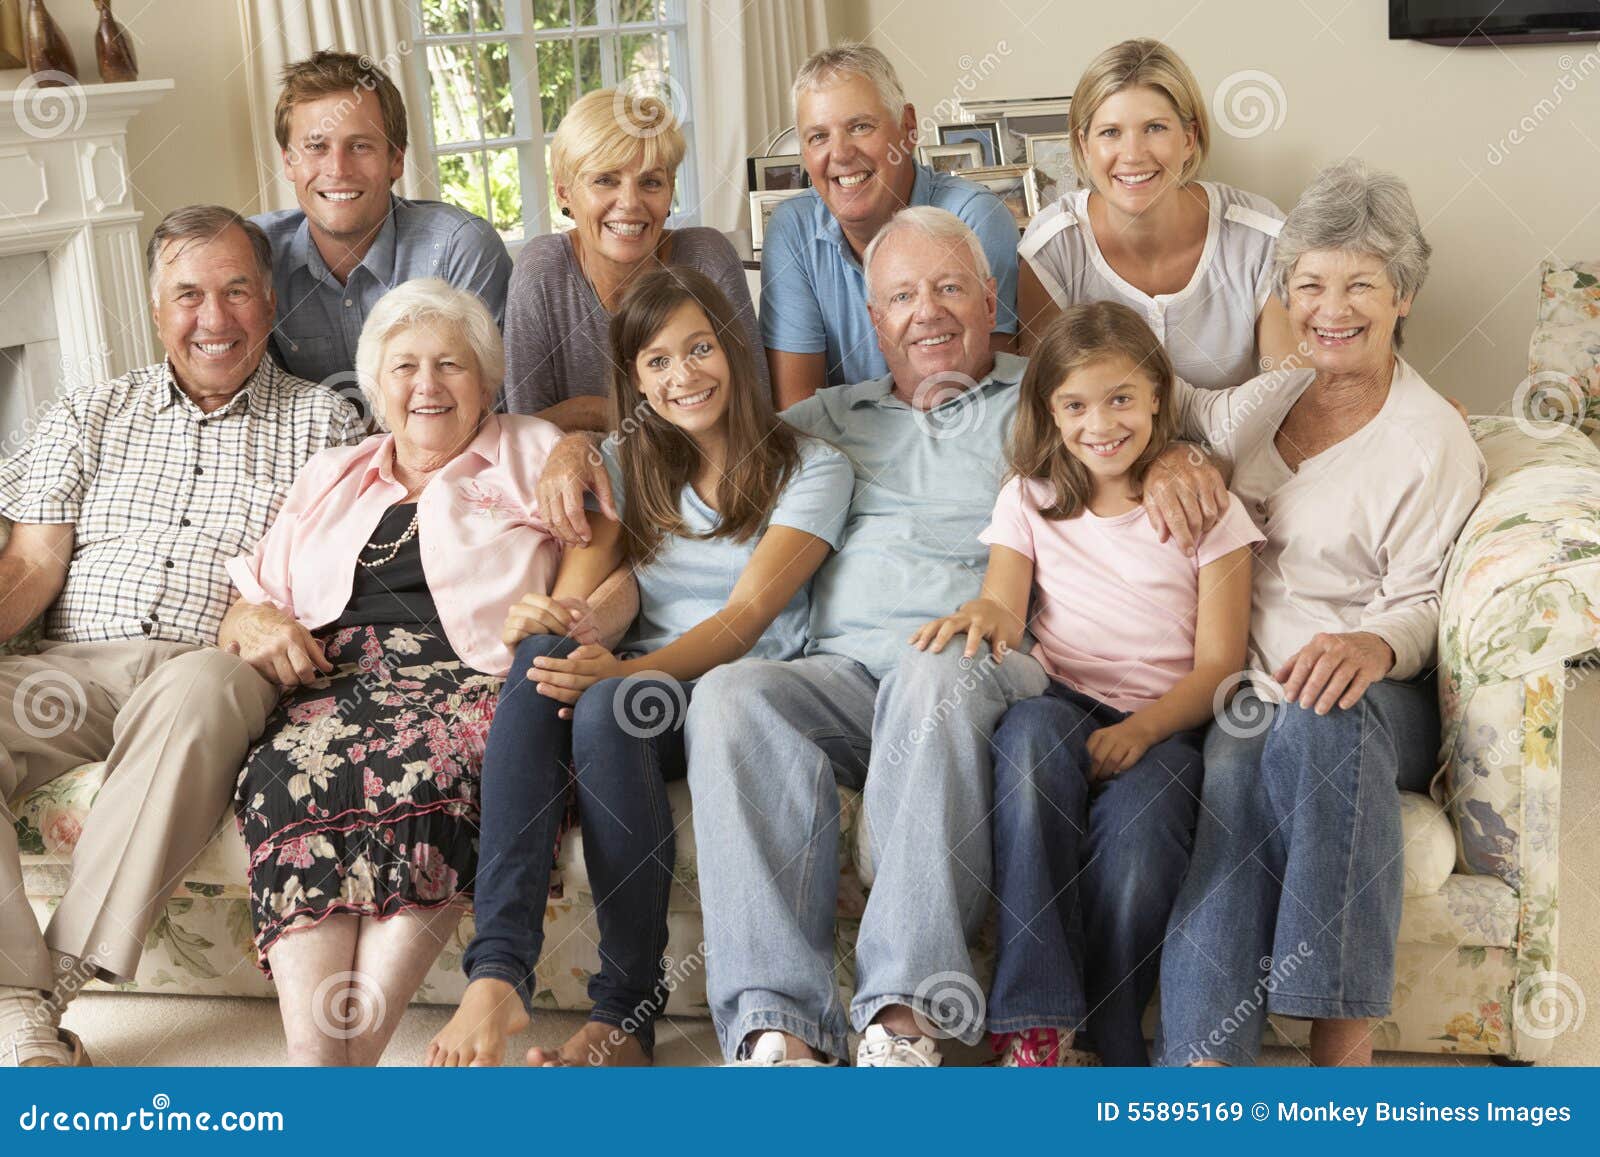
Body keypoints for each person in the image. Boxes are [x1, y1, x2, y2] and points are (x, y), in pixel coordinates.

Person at [427, 269, 851, 1067]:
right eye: (656, 362)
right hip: (648, 683)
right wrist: (556, 624)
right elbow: (586, 597)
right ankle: (501, 973)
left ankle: (621, 1012)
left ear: (735, 350)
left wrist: (621, 671)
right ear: (635, 381)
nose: (682, 375)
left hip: (747, 690)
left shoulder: (811, 465)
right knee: (549, 661)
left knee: (608, 701)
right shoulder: (630, 463)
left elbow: (743, 619)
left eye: (699, 349)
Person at [221, 279, 626, 1066]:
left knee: (423, 770)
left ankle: (328, 1075)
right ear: (376, 386)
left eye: (450, 365)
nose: (427, 385)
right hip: (332, 687)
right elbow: (249, 602)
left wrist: (569, 614)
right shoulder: (331, 475)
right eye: (404, 367)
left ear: (487, 380)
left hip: (475, 684)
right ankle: (323, 1063)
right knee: (284, 773)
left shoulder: (531, 450)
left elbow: (609, 554)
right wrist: (259, 621)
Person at [0, 206, 362, 1067]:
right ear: (157, 307)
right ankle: (20, 1001)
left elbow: (337, 583)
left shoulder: (326, 424)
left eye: (237, 290)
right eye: (189, 294)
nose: (214, 317)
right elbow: (31, 566)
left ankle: (50, 992)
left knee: (203, 687)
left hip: (211, 664)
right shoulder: (92, 411)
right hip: (68, 670)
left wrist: (264, 612)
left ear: (269, 303)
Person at [1157, 160, 1486, 1067]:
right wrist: (1172, 461)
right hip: (1255, 690)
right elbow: (1155, 415)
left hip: (1383, 697)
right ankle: (1196, 1081)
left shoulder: (1431, 439)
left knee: (1324, 717)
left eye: (1360, 285)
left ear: (1404, 295)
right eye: (1309, 284)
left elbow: (1424, 599)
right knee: (1232, 784)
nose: (1330, 308)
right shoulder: (1260, 405)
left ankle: (1337, 1059)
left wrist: (1373, 642)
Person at [912, 302, 1260, 1066]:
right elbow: (1005, 605)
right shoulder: (1030, 497)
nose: (1099, 423)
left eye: (1121, 399)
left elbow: (1219, 668)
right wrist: (980, 610)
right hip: (1061, 701)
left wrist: (1141, 729)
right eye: (1074, 405)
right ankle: (1031, 1020)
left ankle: (1108, 1029)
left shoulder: (1210, 512)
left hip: (1167, 718)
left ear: (1160, 397)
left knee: (1137, 851)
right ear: (1049, 411)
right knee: (1030, 741)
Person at [1018, 38, 1294, 389]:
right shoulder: (1051, 248)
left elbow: (1287, 395)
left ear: (1189, 138)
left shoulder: (1262, 236)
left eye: (1155, 128)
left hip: (1242, 442)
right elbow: (1049, 406)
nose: (1132, 154)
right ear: (1084, 145)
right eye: (1111, 133)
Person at [761, 44, 1022, 408]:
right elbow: (797, 411)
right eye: (819, 136)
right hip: (841, 451)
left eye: (861, 126)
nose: (840, 154)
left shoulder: (975, 218)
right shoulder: (792, 229)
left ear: (908, 128)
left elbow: (991, 400)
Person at [501, 89, 767, 431]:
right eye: (605, 180)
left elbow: (754, 412)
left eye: (651, 182)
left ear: (670, 191)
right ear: (564, 193)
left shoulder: (706, 258)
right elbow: (525, 438)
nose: (630, 202)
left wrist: (592, 414)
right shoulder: (541, 271)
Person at [252, 51, 513, 386]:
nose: (338, 169)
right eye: (316, 147)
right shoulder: (257, 253)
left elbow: (486, 402)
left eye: (360, 146)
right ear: (289, 162)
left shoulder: (458, 249)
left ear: (396, 160)